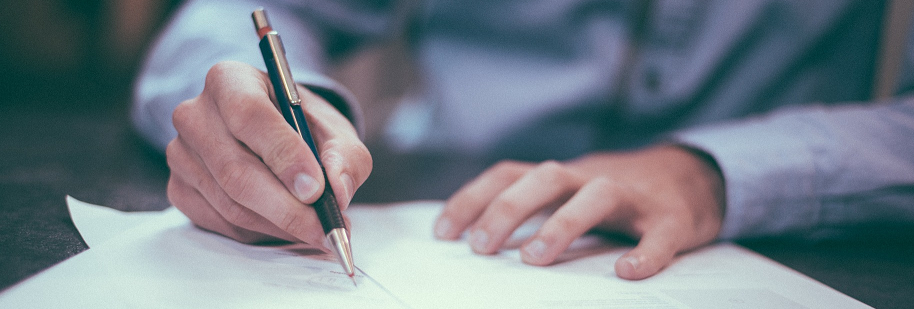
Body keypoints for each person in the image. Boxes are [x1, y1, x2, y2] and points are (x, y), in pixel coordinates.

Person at [133, 0, 914, 280]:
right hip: (434, 212)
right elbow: (237, 14)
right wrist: (265, 112)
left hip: (766, 233)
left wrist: (711, 172)